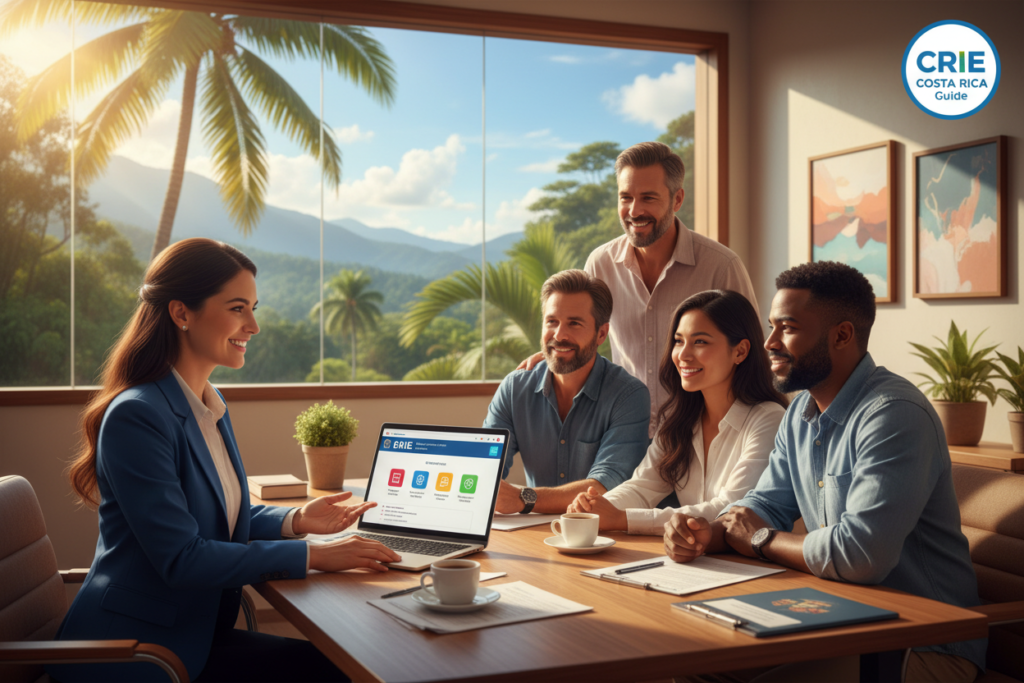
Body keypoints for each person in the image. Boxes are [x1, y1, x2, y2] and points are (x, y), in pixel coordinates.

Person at [52, 239, 400, 683]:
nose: (253, 325)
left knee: (348, 665)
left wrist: (297, 520)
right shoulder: (137, 415)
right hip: (135, 652)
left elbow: (214, 518)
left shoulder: (209, 405)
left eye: (254, 307)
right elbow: (183, 557)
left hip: (190, 635)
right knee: (344, 671)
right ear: (181, 313)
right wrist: (313, 555)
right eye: (238, 308)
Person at [664, 261, 985, 681]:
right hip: (836, 618)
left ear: (842, 335)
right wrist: (709, 532)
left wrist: (760, 539)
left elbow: (860, 556)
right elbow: (762, 505)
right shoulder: (799, 411)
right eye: (771, 327)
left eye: (788, 328)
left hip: (920, 643)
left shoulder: (893, 417)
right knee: (696, 663)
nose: (769, 343)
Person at [524, 141, 758, 437]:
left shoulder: (721, 266)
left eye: (648, 198)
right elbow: (583, 331)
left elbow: (750, 358)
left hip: (703, 436)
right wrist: (553, 353)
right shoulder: (600, 263)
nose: (634, 211)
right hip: (625, 434)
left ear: (677, 199)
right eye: (625, 198)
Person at [567, 290, 786, 534]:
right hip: (693, 559)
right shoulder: (679, 421)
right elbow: (641, 487)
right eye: (679, 341)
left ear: (740, 351)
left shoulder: (769, 419)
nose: (682, 355)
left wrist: (622, 519)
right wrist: (596, 507)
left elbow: (729, 510)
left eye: (700, 342)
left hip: (754, 566)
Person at [484, 269, 650, 515]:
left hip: (603, 538)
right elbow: (484, 469)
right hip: (531, 535)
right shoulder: (514, 388)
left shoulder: (629, 396)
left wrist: (523, 498)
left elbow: (603, 488)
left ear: (601, 334)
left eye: (574, 323)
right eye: (552, 321)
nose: (559, 335)